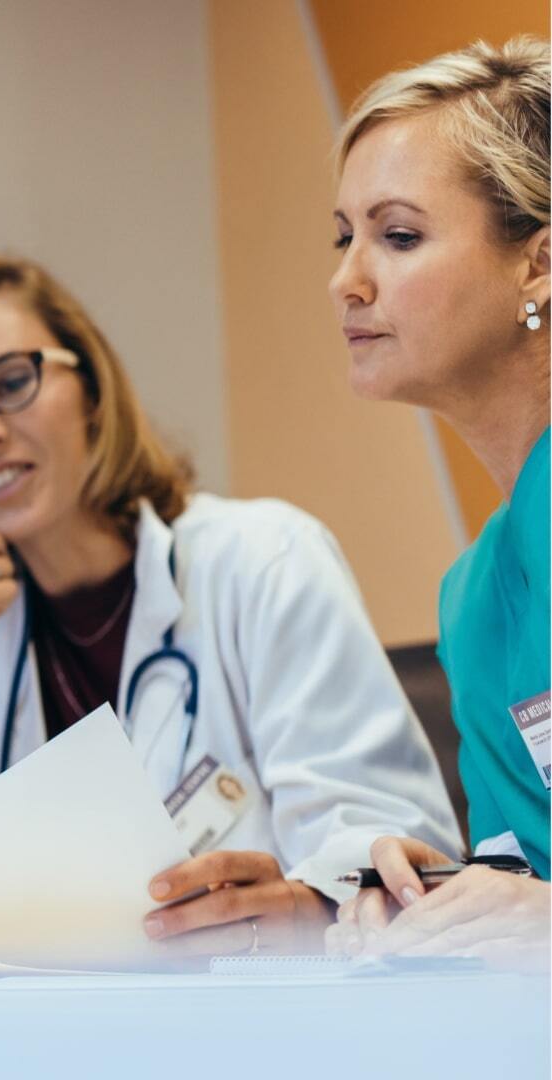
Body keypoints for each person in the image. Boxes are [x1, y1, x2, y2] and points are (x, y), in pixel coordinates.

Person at [0, 253, 459, 959]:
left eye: (10, 382)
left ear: (92, 392)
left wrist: (301, 908)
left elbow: (393, 847)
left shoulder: (260, 561)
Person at [322, 37, 549, 971]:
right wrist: (438, 900)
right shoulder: (475, 600)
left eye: (398, 236)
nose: (346, 280)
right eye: (343, 237)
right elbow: (525, 878)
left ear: (536, 267)